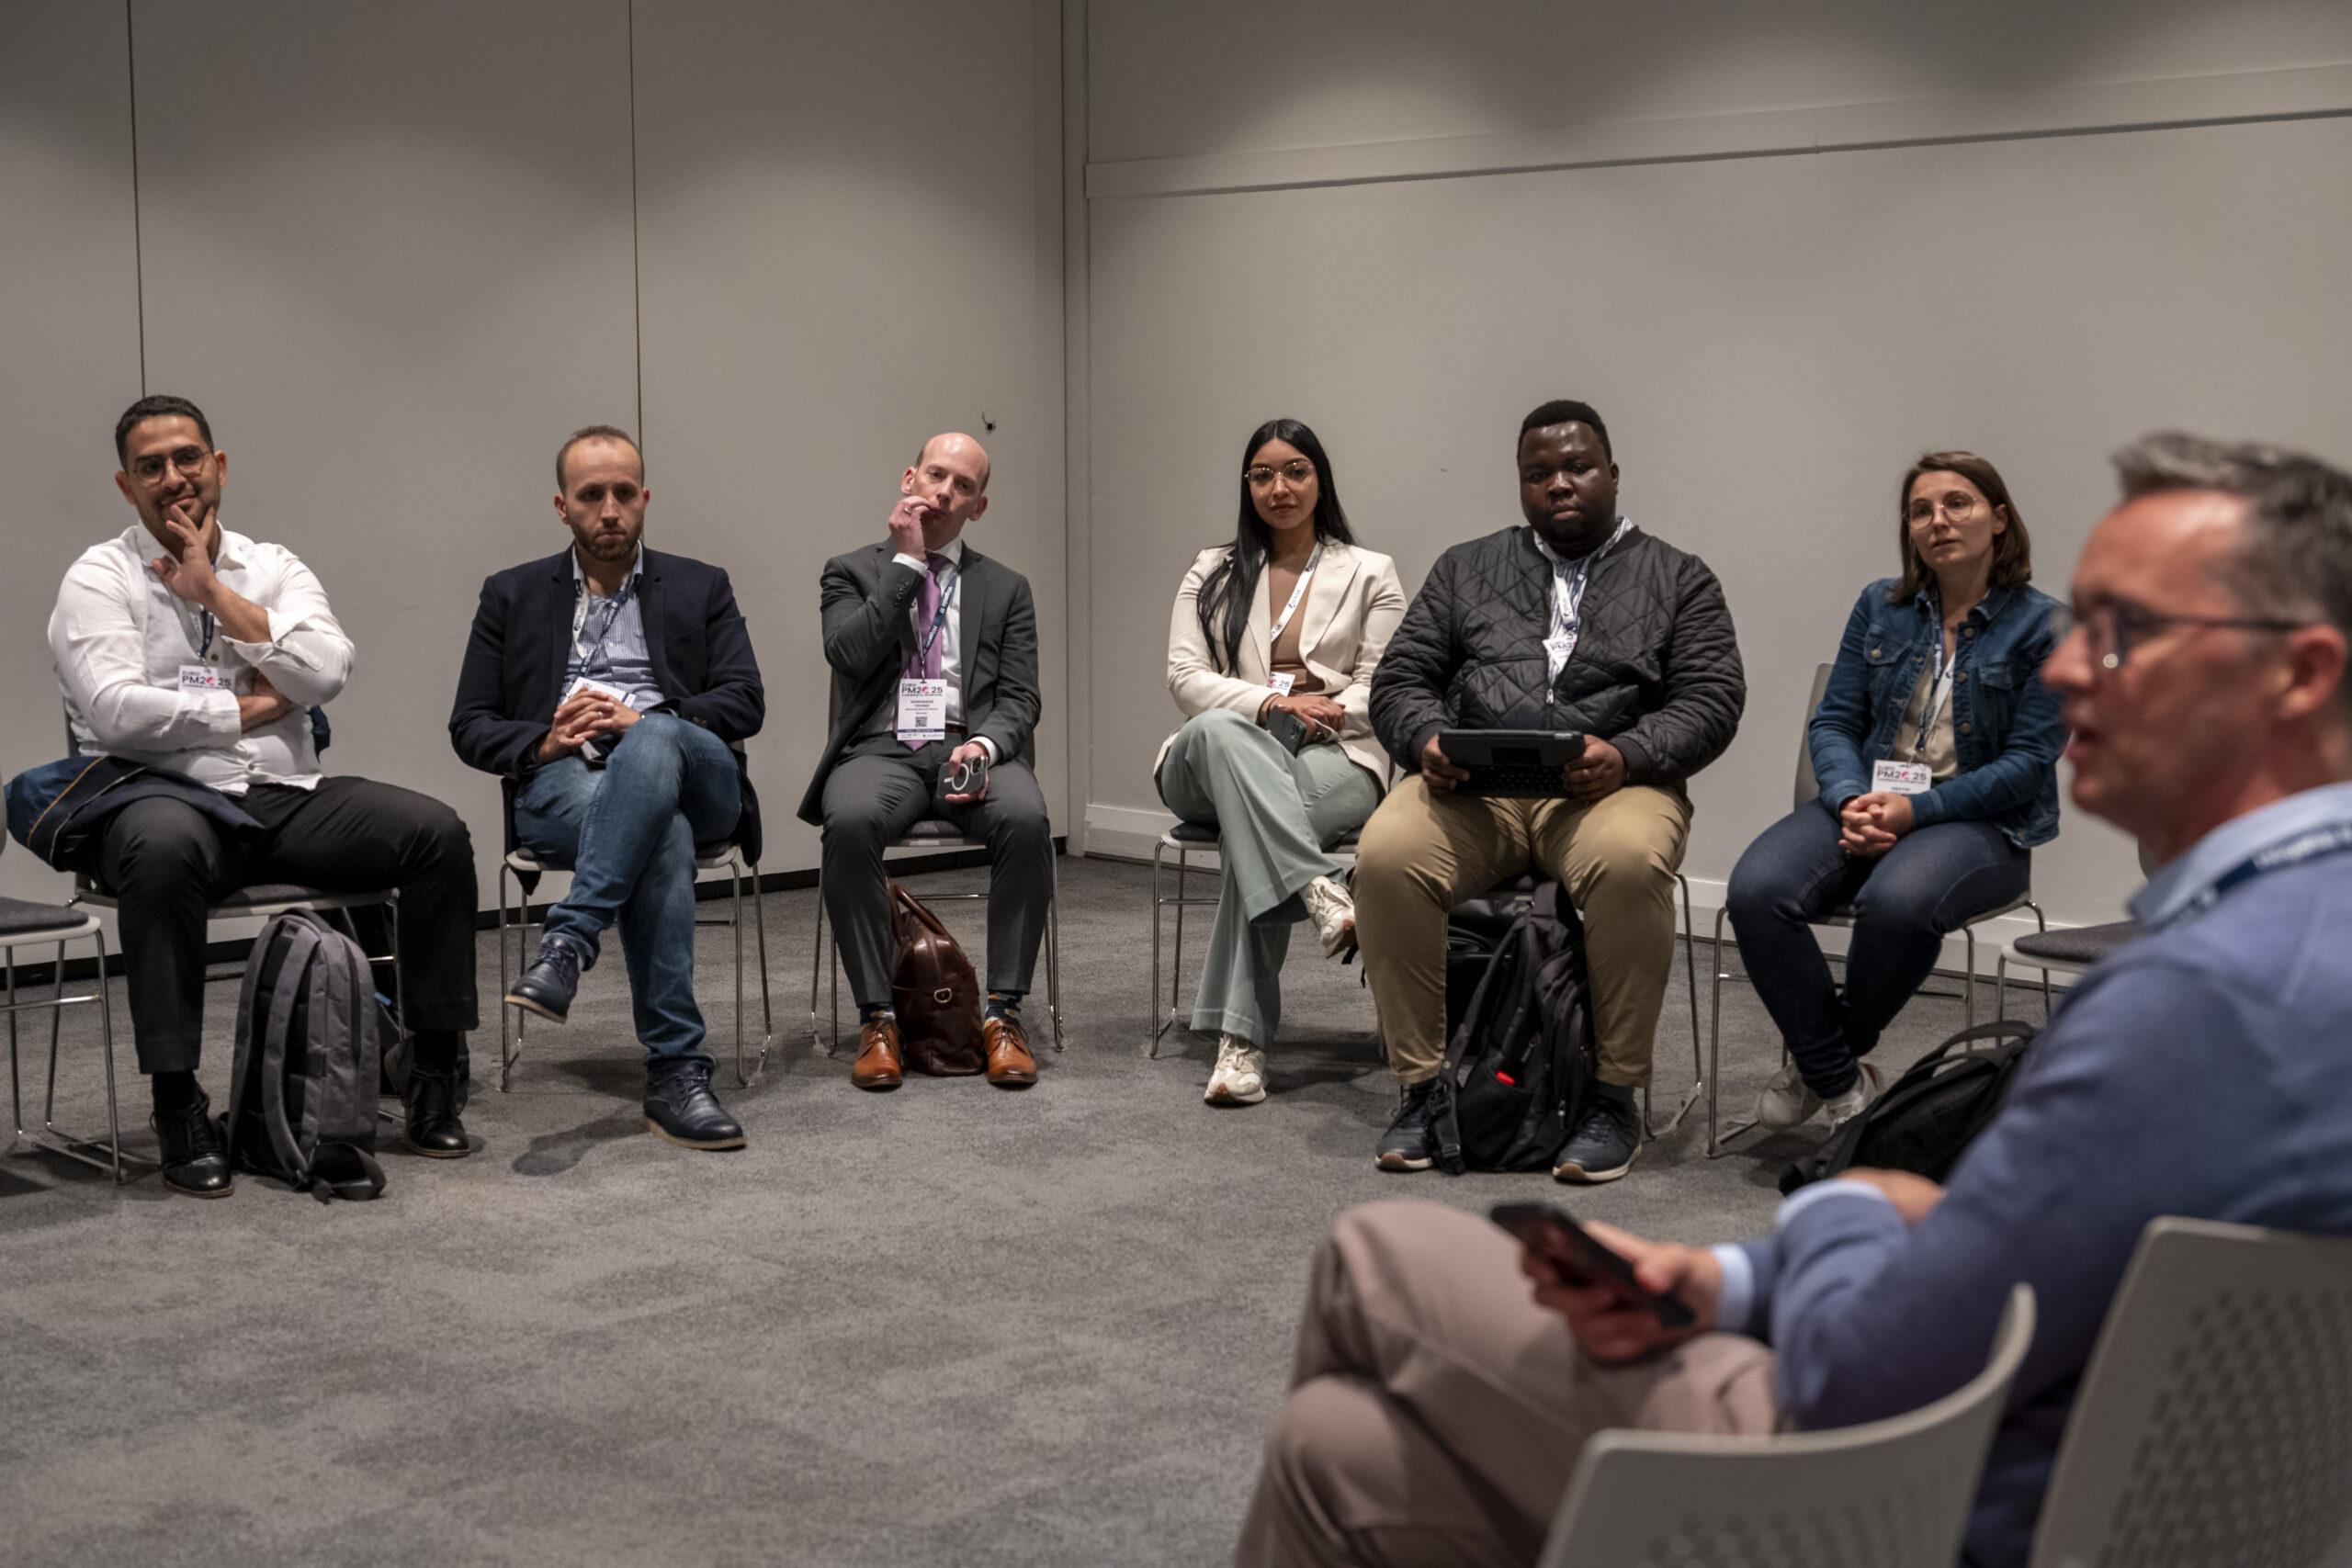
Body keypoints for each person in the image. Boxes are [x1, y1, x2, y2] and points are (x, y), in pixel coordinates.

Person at [1235, 433, 2352, 1568]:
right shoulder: (2297, 945)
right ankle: (1516, 1085)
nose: (2068, 670)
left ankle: (1699, 1088)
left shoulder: (2190, 1006)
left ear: (2300, 674)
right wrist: (1730, 1274)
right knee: (1342, 1453)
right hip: (2062, 1465)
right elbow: (2036, 1255)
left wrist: (1850, 1203)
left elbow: (1867, 1370)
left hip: (1902, 1495)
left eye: (2129, 633)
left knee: (1374, 1262)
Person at [50, 395, 481, 1197]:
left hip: (282, 793)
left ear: (218, 466)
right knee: (161, 850)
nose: (173, 477)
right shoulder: (98, 576)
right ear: (125, 484)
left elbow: (327, 672)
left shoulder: (272, 566)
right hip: (163, 798)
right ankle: (177, 1104)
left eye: (187, 458)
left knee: (435, 833)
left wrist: (214, 593)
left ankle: (431, 1069)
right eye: (150, 466)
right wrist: (247, 707)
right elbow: (115, 712)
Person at [1354, 399, 1745, 1181]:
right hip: (1479, 791)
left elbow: (1711, 698)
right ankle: (1424, 1089)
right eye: (1539, 474)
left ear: (1613, 473)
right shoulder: (1466, 567)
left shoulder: (1680, 576)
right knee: (1387, 855)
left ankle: (1613, 1097)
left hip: (1610, 787)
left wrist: (1628, 753)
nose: (1558, 483)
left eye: (1576, 467)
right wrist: (1426, 739)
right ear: (1521, 484)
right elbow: (1400, 679)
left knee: (1629, 861)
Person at [1725, 452, 2064, 1133]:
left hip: (1983, 823)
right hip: (1869, 801)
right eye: (1921, 510)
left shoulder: (2047, 626)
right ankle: (1843, 1081)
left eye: (1958, 503)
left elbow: (2029, 762)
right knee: (1756, 889)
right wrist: (1851, 799)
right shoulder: (1881, 606)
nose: (1939, 520)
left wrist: (1918, 810)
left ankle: (1824, 1067)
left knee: (1898, 903)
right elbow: (1834, 722)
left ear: (1999, 519)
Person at [450, 425, 764, 1151]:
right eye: (592, 495)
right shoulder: (511, 594)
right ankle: (677, 1070)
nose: (611, 509)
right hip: (567, 778)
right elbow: (469, 723)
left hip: (698, 777)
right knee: (662, 833)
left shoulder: (701, 584)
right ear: (562, 506)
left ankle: (568, 938)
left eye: (625, 492)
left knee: (653, 736)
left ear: (645, 497)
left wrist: (648, 720)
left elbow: (746, 699)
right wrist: (543, 741)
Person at [1158, 419, 1407, 1104]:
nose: (1279, 487)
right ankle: (1320, 885)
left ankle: (1241, 1044)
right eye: (1263, 474)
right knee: (1219, 727)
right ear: (1248, 486)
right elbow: (1185, 677)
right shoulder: (1211, 569)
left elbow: (1387, 684)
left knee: (1254, 834)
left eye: (1296, 470)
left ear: (1320, 479)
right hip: (1212, 758)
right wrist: (1271, 706)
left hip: (1334, 754)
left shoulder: (1370, 572)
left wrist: (1322, 714)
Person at [800, 433, 1051, 1090]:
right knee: (850, 821)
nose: (945, 492)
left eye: (963, 485)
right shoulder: (849, 570)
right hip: (882, 749)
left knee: (1028, 819)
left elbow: (1021, 696)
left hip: (970, 746)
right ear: (909, 479)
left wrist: (986, 745)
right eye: (936, 475)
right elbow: (848, 654)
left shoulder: (1007, 587)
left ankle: (1002, 1014)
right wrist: (907, 565)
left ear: (979, 506)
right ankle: (878, 1018)